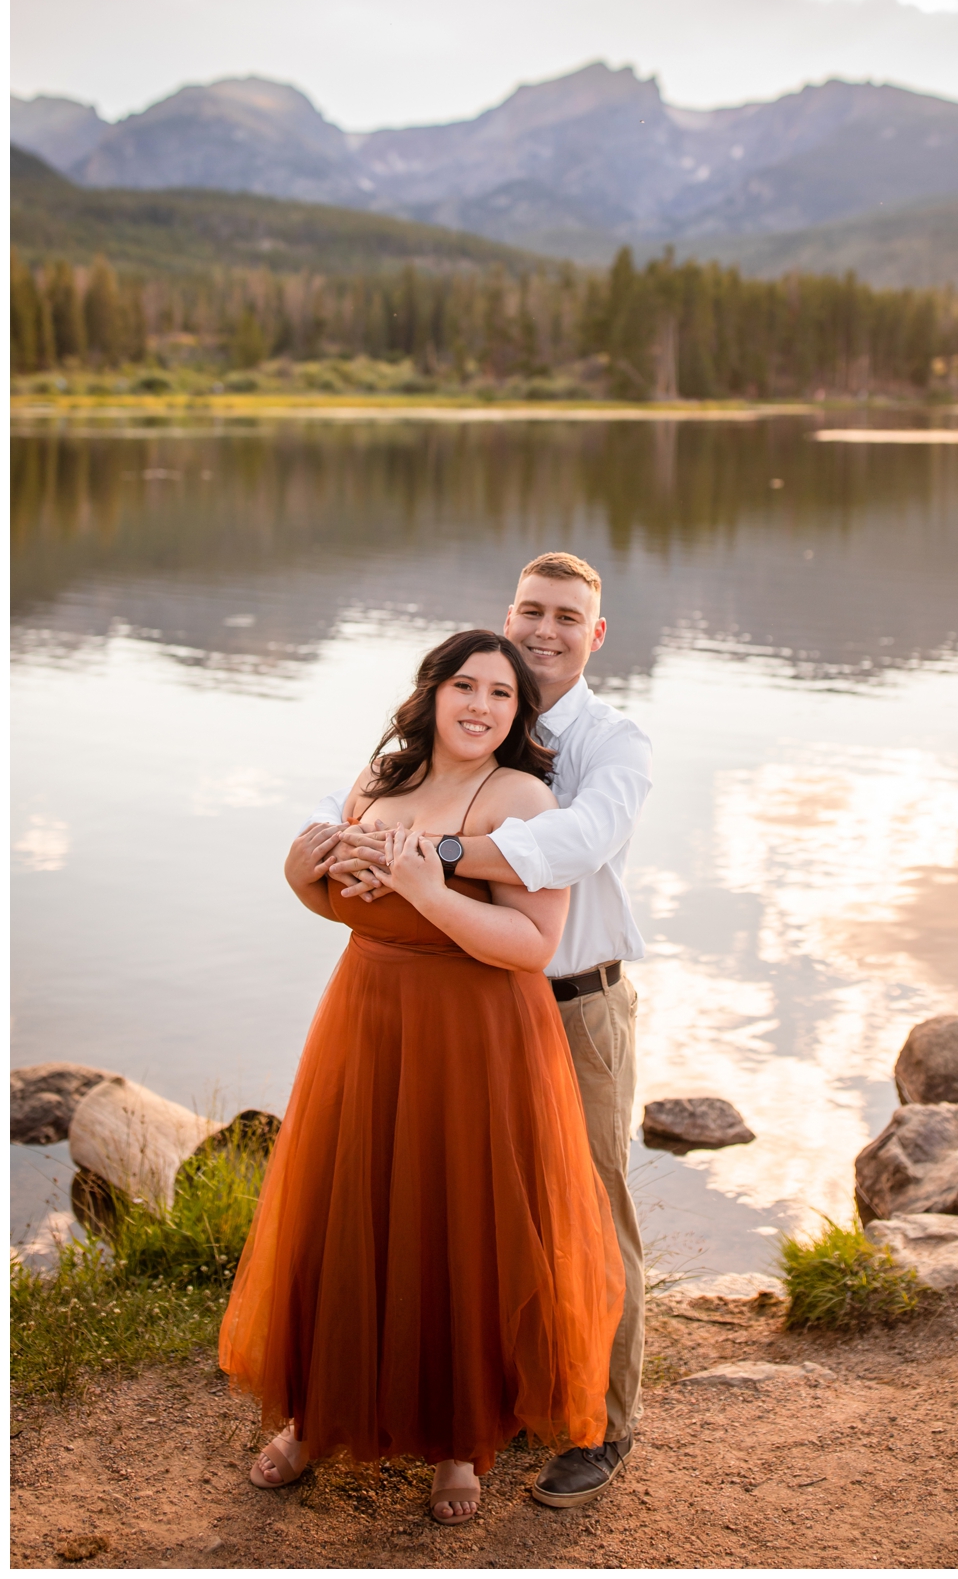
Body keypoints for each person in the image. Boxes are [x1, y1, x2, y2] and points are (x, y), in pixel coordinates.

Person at [226, 630, 622, 1525]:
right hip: (366, 1015)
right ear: (432, 692)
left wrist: (431, 886)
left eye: (503, 695)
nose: (481, 706)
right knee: (342, 1206)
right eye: (465, 686)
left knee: (461, 1222)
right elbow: (340, 902)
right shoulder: (381, 781)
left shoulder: (523, 796)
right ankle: (311, 1418)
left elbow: (531, 945)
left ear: (519, 715)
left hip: (476, 1032)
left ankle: (460, 1445)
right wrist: (305, 873)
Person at [319, 550, 653, 1509]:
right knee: (470, 1213)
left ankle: (604, 1424)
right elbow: (372, 791)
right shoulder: (477, 711)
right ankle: (493, 1400)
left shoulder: (614, 741)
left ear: (596, 636)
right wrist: (337, 836)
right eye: (531, 611)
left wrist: (441, 854)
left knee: (589, 1210)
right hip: (469, 1006)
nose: (547, 630)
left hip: (573, 1000)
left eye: (567, 618)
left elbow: (581, 843)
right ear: (510, 618)